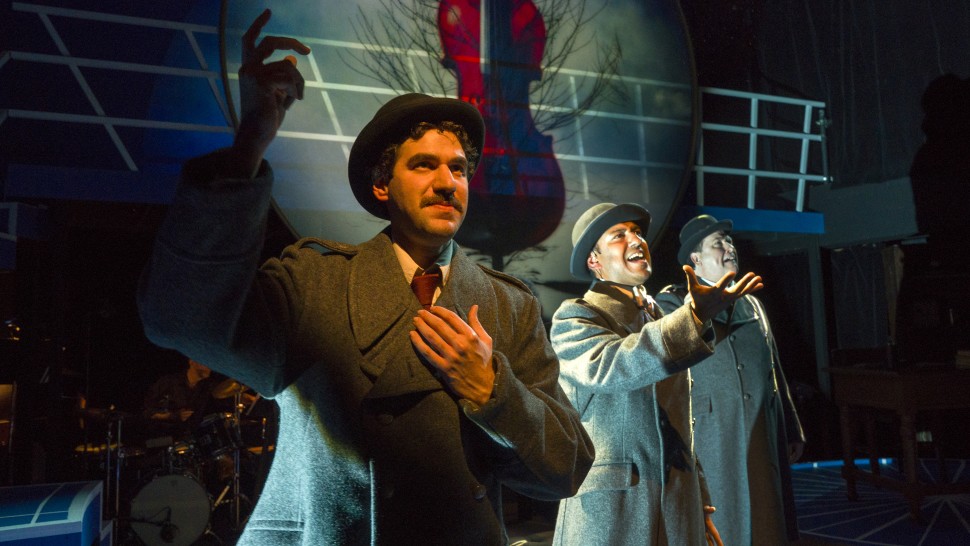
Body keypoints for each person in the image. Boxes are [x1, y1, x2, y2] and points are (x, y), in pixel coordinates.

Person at [137, 9, 593, 545]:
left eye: (459, 168)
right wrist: (249, 145)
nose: (448, 182)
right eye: (423, 165)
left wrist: (493, 390)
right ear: (382, 185)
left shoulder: (508, 305)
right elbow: (180, 318)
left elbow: (565, 469)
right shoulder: (315, 282)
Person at [550, 202, 763, 546]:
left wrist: (700, 498)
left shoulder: (657, 318)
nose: (636, 240)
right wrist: (693, 317)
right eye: (618, 235)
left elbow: (680, 421)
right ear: (594, 260)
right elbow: (611, 366)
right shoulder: (575, 317)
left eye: (637, 232)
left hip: (677, 504)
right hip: (616, 509)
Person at [656, 214, 806, 545]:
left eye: (729, 241)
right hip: (712, 437)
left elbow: (773, 367)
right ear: (695, 259)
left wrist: (791, 426)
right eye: (718, 243)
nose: (729, 248)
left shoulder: (752, 304)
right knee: (723, 522)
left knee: (768, 521)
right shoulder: (673, 304)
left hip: (761, 433)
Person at [143, 358, 215, 427]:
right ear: (192, 362)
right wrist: (170, 416)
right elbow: (147, 411)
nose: (210, 367)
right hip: (162, 433)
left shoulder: (205, 388)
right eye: (206, 362)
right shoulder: (168, 382)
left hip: (187, 433)